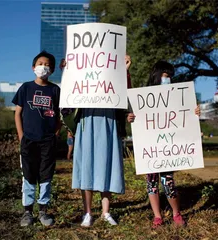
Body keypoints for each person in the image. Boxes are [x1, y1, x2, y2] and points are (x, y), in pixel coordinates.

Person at [128, 60, 200, 229]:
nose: (168, 79)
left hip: (167, 147)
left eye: (170, 77)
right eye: (166, 75)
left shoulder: (176, 96)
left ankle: (176, 213)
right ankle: (157, 216)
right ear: (157, 75)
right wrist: (130, 118)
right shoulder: (144, 96)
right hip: (151, 147)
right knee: (151, 181)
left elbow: (185, 115)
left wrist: (195, 112)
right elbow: (137, 115)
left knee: (168, 181)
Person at [71, 55, 133, 227]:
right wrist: (67, 70)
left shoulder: (113, 76)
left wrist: (124, 70)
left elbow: (125, 93)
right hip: (87, 119)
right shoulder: (83, 73)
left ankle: (106, 212)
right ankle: (87, 213)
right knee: (87, 166)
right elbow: (70, 92)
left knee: (108, 164)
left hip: (109, 119)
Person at [12, 51, 61, 227]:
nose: (43, 67)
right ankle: (27, 212)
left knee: (46, 176)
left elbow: (60, 117)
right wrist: (21, 136)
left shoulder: (55, 90)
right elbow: (17, 113)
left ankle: (43, 210)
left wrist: (55, 134)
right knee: (28, 175)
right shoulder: (25, 88)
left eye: (47, 64)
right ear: (33, 67)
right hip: (28, 141)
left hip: (48, 141)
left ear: (53, 69)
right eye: (40, 63)